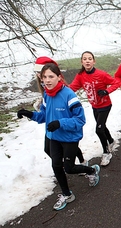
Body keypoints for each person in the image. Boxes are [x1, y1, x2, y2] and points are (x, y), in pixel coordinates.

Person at [17, 63, 100, 210]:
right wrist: (29, 114)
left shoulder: (69, 95)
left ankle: (91, 170)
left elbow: (80, 120)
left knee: (69, 168)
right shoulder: (46, 96)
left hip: (69, 138)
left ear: (59, 77)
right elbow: (43, 116)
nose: (47, 80)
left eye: (51, 76)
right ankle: (67, 194)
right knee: (56, 165)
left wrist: (60, 123)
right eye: (44, 77)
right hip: (53, 137)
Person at [33, 57, 87, 168]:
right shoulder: (43, 82)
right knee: (49, 150)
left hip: (61, 125)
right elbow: (47, 101)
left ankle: (76, 163)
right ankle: (64, 166)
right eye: (38, 73)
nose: (40, 75)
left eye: (40, 71)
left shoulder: (63, 90)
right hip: (52, 126)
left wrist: (60, 122)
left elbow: (78, 117)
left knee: (66, 148)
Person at [69, 51, 120, 166]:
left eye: (90, 59)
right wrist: (60, 90)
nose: (87, 61)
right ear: (82, 62)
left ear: (94, 61)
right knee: (102, 126)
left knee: (99, 129)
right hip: (94, 106)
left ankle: (107, 153)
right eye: (85, 59)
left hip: (105, 105)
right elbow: (72, 88)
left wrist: (106, 91)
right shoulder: (81, 76)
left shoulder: (101, 74)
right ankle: (111, 141)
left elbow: (116, 83)